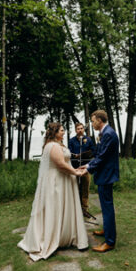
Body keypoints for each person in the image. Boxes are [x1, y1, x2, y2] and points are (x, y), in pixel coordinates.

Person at [18, 123, 89, 261]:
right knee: (56, 207)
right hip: (57, 181)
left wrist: (75, 170)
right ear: (55, 132)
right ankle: (53, 236)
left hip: (64, 180)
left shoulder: (58, 144)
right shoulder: (53, 146)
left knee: (63, 208)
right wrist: (75, 172)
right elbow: (60, 165)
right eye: (61, 130)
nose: (64, 132)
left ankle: (64, 234)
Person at [78, 110, 120, 253]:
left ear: (100, 120)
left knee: (107, 208)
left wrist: (88, 169)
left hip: (107, 175)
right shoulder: (104, 133)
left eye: (93, 120)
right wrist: (88, 164)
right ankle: (107, 231)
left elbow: (102, 158)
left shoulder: (108, 134)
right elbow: (99, 154)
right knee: (105, 206)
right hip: (104, 174)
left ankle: (110, 242)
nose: (92, 123)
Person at [68, 122, 96, 219]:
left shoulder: (88, 140)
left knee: (85, 189)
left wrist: (87, 154)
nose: (80, 130)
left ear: (83, 129)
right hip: (75, 168)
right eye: (78, 129)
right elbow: (68, 152)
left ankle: (85, 209)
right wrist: (74, 155)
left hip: (85, 168)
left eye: (81, 128)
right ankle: (75, 209)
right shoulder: (71, 140)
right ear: (75, 130)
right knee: (75, 188)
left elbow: (93, 151)